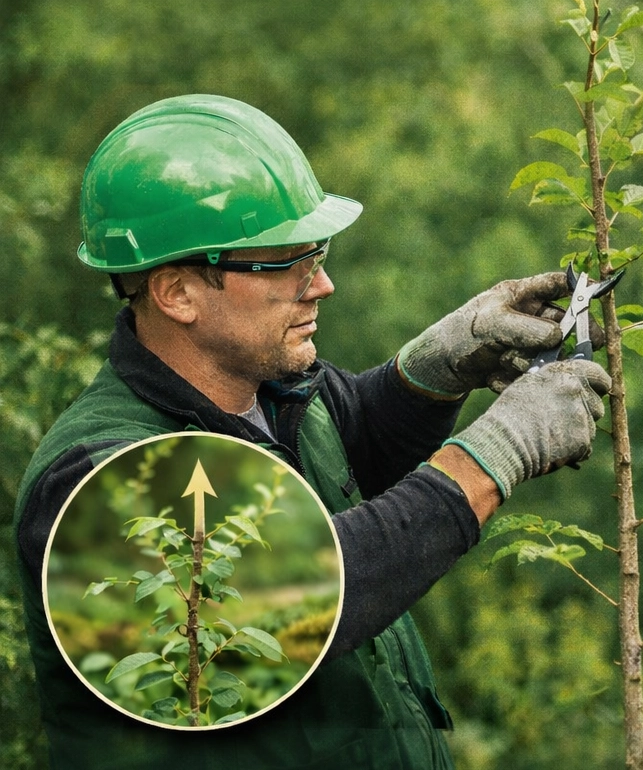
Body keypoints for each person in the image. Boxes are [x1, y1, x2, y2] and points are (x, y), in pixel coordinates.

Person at [13, 94, 610, 768]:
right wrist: (496, 455)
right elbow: (288, 597)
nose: (321, 284)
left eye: (317, 253)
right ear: (176, 293)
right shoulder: (98, 478)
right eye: (282, 263)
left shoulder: (272, 392)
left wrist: (435, 367)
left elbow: (345, 444)